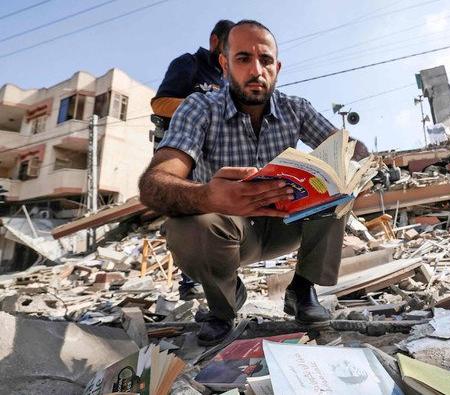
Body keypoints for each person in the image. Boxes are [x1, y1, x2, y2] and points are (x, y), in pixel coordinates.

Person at [139, 20, 368, 346]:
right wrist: (208, 196)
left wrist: (361, 161)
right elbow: (155, 182)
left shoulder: (296, 109)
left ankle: (302, 291)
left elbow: (347, 146)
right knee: (186, 227)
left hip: (286, 223)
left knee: (340, 189)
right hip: (229, 229)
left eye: (266, 60)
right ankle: (224, 307)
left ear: (277, 67)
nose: (256, 70)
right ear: (224, 64)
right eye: (243, 58)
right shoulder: (199, 108)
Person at [151, 19, 235, 301]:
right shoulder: (188, 63)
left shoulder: (225, 78)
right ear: (215, 42)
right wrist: (201, 107)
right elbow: (160, 103)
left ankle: (219, 278)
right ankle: (191, 284)